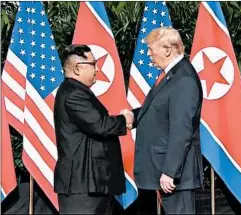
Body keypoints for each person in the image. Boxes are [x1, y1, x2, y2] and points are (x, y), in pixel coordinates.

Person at [124, 27, 204, 214]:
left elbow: (181, 129)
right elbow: (158, 110)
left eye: (151, 49)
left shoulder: (183, 78)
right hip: (162, 170)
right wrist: (133, 116)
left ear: (168, 49)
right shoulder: (171, 75)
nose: (148, 54)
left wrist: (170, 171)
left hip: (176, 176)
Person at [53, 44, 133, 214]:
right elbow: (100, 125)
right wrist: (124, 119)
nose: (97, 69)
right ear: (77, 68)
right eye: (93, 64)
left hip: (89, 184)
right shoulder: (74, 93)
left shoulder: (74, 91)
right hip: (83, 187)